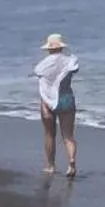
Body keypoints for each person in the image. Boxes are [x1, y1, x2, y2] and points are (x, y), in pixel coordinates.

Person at [33, 33, 79, 179]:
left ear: (49, 48)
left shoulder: (44, 64)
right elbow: (74, 69)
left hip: (48, 101)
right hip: (66, 99)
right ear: (61, 47)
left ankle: (51, 165)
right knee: (68, 135)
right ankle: (71, 162)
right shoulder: (70, 62)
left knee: (49, 134)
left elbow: (38, 73)